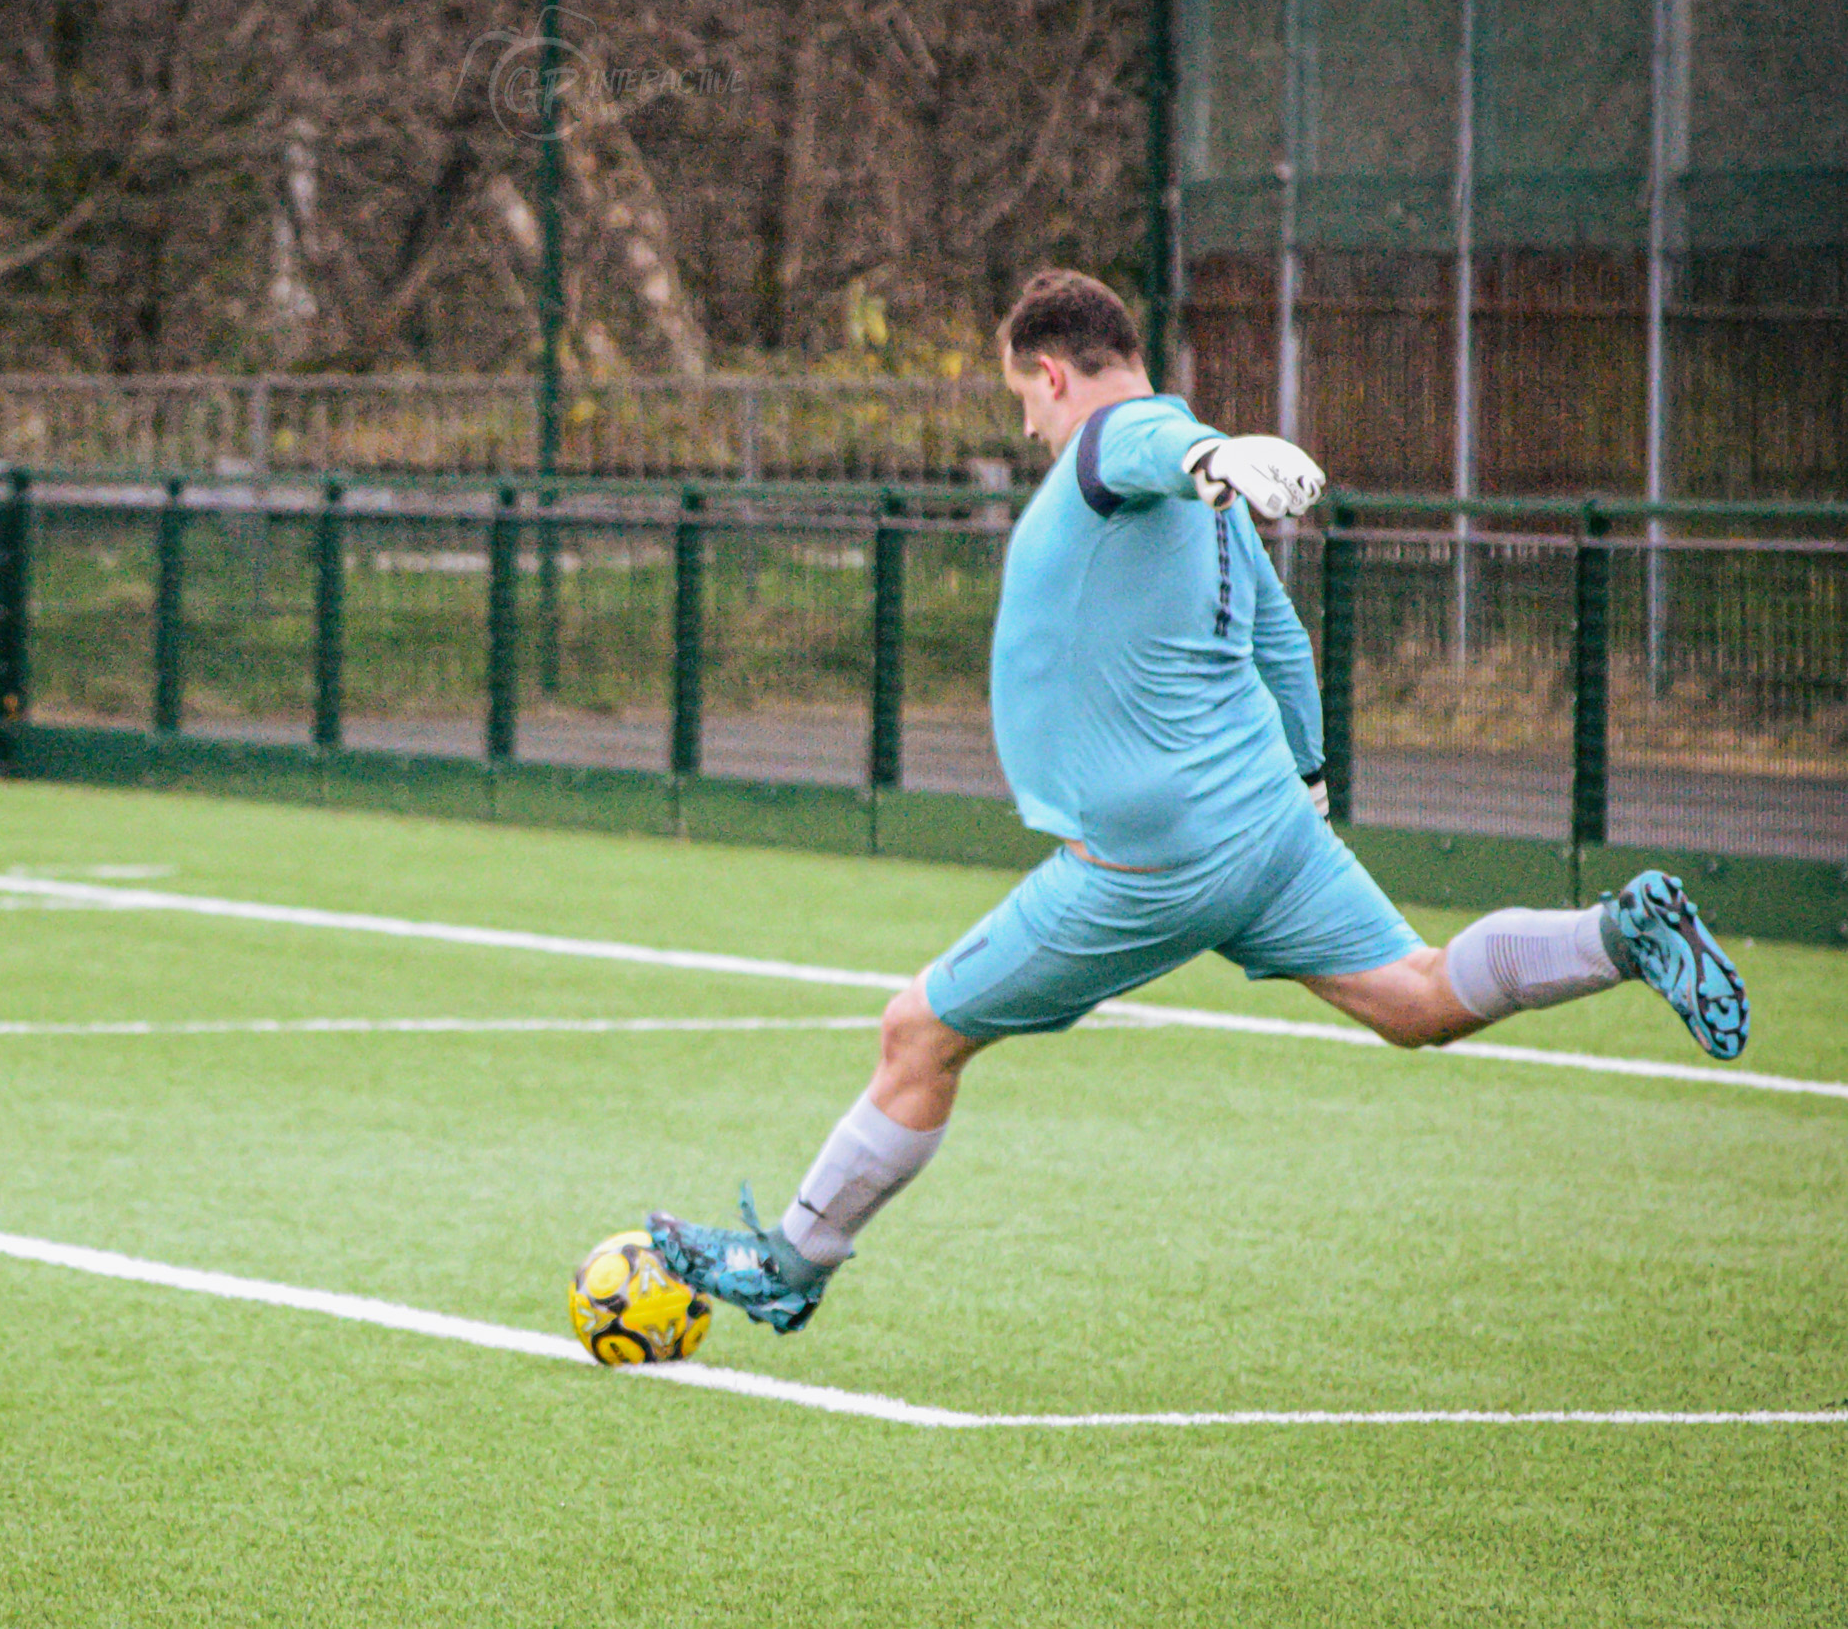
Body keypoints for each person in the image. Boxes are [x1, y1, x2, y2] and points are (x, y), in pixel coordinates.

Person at [646, 267, 1749, 1335]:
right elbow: (1280, 636)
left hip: (1147, 862)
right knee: (1414, 998)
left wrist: (1214, 452)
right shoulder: (1208, 504)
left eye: (1021, 399)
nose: (1028, 427)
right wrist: (1310, 786)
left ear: (1053, 374)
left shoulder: (1121, 445)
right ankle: (1620, 932)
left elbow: (1147, 446)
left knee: (917, 1032)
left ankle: (792, 1263)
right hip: (1265, 826)